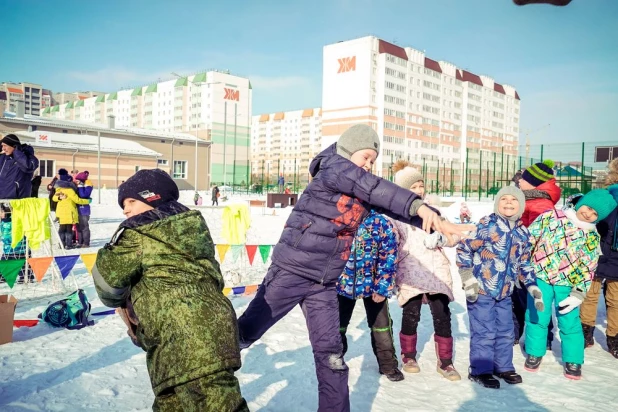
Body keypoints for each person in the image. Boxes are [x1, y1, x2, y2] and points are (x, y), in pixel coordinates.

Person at [237, 124, 471, 411]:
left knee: (332, 356)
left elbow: (390, 204)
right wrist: (420, 207)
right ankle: (204, 370)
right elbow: (376, 188)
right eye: (365, 157)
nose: (369, 165)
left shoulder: (356, 183)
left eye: (373, 160)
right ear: (348, 151)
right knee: (245, 332)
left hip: (324, 284)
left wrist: (437, 220)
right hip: (292, 272)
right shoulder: (335, 168)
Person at [93, 169, 247, 411]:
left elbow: (107, 286)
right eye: (124, 204)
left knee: (212, 404)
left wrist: (112, 250)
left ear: (152, 197)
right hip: (204, 330)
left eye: (132, 201)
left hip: (182, 335)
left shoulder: (137, 233)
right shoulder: (194, 227)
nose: (126, 210)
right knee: (177, 403)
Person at [524, 187, 617, 379]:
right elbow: (529, 240)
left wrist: (579, 293)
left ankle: (573, 359)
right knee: (537, 316)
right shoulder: (551, 216)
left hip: (567, 284)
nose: (589, 214)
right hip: (541, 277)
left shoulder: (591, 236)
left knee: (570, 322)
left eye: (595, 214)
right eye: (589, 207)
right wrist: (524, 268)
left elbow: (588, 267)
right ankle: (535, 351)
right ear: (582, 202)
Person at [456, 186, 542, 389]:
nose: (509, 202)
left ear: (521, 205)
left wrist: (532, 287)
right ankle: (481, 370)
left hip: (505, 292)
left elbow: (525, 263)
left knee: (506, 330)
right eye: (504, 199)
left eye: (514, 199)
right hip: (481, 289)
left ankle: (503, 367)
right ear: (497, 203)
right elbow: (465, 248)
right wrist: (467, 277)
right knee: (484, 331)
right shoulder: (487, 225)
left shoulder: (523, 233)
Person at [390, 161, 461, 381]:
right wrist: (391, 276)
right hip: (411, 270)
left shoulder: (434, 212)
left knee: (442, 315)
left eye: (421, 185)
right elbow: (391, 246)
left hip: (436, 271)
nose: (419, 190)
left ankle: (446, 362)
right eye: (413, 187)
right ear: (403, 190)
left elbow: (454, 235)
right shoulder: (396, 216)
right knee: (411, 314)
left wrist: (442, 237)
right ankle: (408, 355)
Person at [337, 209, 402, 381]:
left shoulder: (380, 223)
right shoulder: (338, 219)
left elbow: (389, 255)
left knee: (381, 327)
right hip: (342, 284)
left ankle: (388, 365)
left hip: (373, 285)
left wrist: (382, 287)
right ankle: (334, 359)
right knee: (337, 326)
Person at [512, 160, 561, 347]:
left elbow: (538, 236)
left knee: (531, 299)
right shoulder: (532, 199)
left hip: (530, 261)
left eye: (523, 179)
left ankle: (542, 338)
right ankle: (516, 333)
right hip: (523, 258)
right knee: (519, 297)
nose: (519, 181)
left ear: (532, 182)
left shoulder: (540, 204)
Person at [580, 163, 618, 358]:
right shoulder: (606, 196)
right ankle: (586, 332)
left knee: (616, 299)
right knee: (589, 294)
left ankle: (614, 336)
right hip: (596, 252)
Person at [52, 169, 90, 249]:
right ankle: (68, 244)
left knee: (62, 228)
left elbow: (54, 198)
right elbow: (77, 200)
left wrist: (59, 197)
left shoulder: (59, 189)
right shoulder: (70, 191)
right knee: (68, 229)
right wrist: (87, 201)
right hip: (69, 213)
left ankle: (61, 243)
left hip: (61, 213)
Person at [0, 134, 39, 200]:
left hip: (18, 201)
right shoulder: (3, 158)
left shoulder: (27, 156)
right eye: (2, 146)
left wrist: (17, 153)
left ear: (14, 146)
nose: (3, 148)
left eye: (5, 145)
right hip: (2, 200)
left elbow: (28, 167)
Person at [74, 171, 93, 248]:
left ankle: (86, 242)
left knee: (84, 227)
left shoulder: (88, 186)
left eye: (78, 181)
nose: (76, 182)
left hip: (84, 210)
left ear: (81, 181)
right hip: (77, 209)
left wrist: (81, 186)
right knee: (78, 227)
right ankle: (80, 242)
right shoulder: (79, 186)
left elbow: (83, 195)